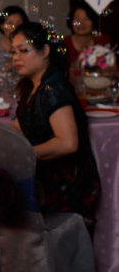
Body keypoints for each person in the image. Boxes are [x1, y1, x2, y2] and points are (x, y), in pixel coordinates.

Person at [11, 22, 101, 232]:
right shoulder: (33, 86)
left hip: (65, 185)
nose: (16, 57)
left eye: (23, 50)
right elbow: (18, 128)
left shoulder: (53, 88)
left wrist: (26, 154)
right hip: (46, 178)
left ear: (45, 51)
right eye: (13, 52)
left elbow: (68, 143)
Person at [64, 2, 111, 68]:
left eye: (86, 19)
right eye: (77, 19)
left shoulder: (103, 39)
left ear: (93, 21)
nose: (81, 23)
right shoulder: (64, 42)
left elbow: (113, 67)